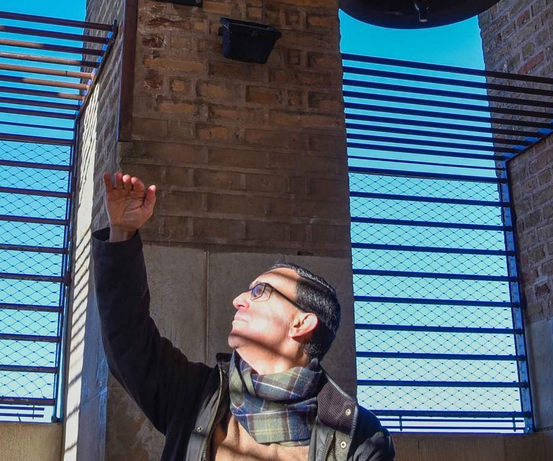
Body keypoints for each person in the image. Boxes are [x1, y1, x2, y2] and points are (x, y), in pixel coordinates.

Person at [95, 172, 394, 461]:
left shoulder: (360, 437)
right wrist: (122, 232)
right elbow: (128, 342)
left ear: (301, 323)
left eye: (259, 292)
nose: (238, 300)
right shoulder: (195, 395)